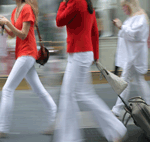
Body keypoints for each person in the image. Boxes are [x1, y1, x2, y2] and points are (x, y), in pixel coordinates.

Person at [52, 0, 127, 142]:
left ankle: (114, 129)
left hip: (79, 53)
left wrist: (63, 2)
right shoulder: (87, 3)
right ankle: (113, 131)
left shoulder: (75, 2)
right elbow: (94, 32)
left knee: (79, 94)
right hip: (81, 53)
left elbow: (59, 21)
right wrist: (95, 56)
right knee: (72, 94)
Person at [0, 0, 57, 138]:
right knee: (39, 90)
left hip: (27, 53)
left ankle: (2, 128)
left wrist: (7, 23)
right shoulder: (15, 11)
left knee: (7, 89)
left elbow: (24, 34)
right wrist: (4, 26)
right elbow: (14, 34)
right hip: (23, 54)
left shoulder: (27, 9)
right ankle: (54, 119)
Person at [112, 0, 150, 118]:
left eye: (124, 6)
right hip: (133, 56)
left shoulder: (140, 17)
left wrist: (120, 26)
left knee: (125, 81)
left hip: (134, 57)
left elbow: (135, 36)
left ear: (130, 4)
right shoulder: (136, 17)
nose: (123, 9)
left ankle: (116, 110)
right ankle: (148, 104)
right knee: (138, 81)